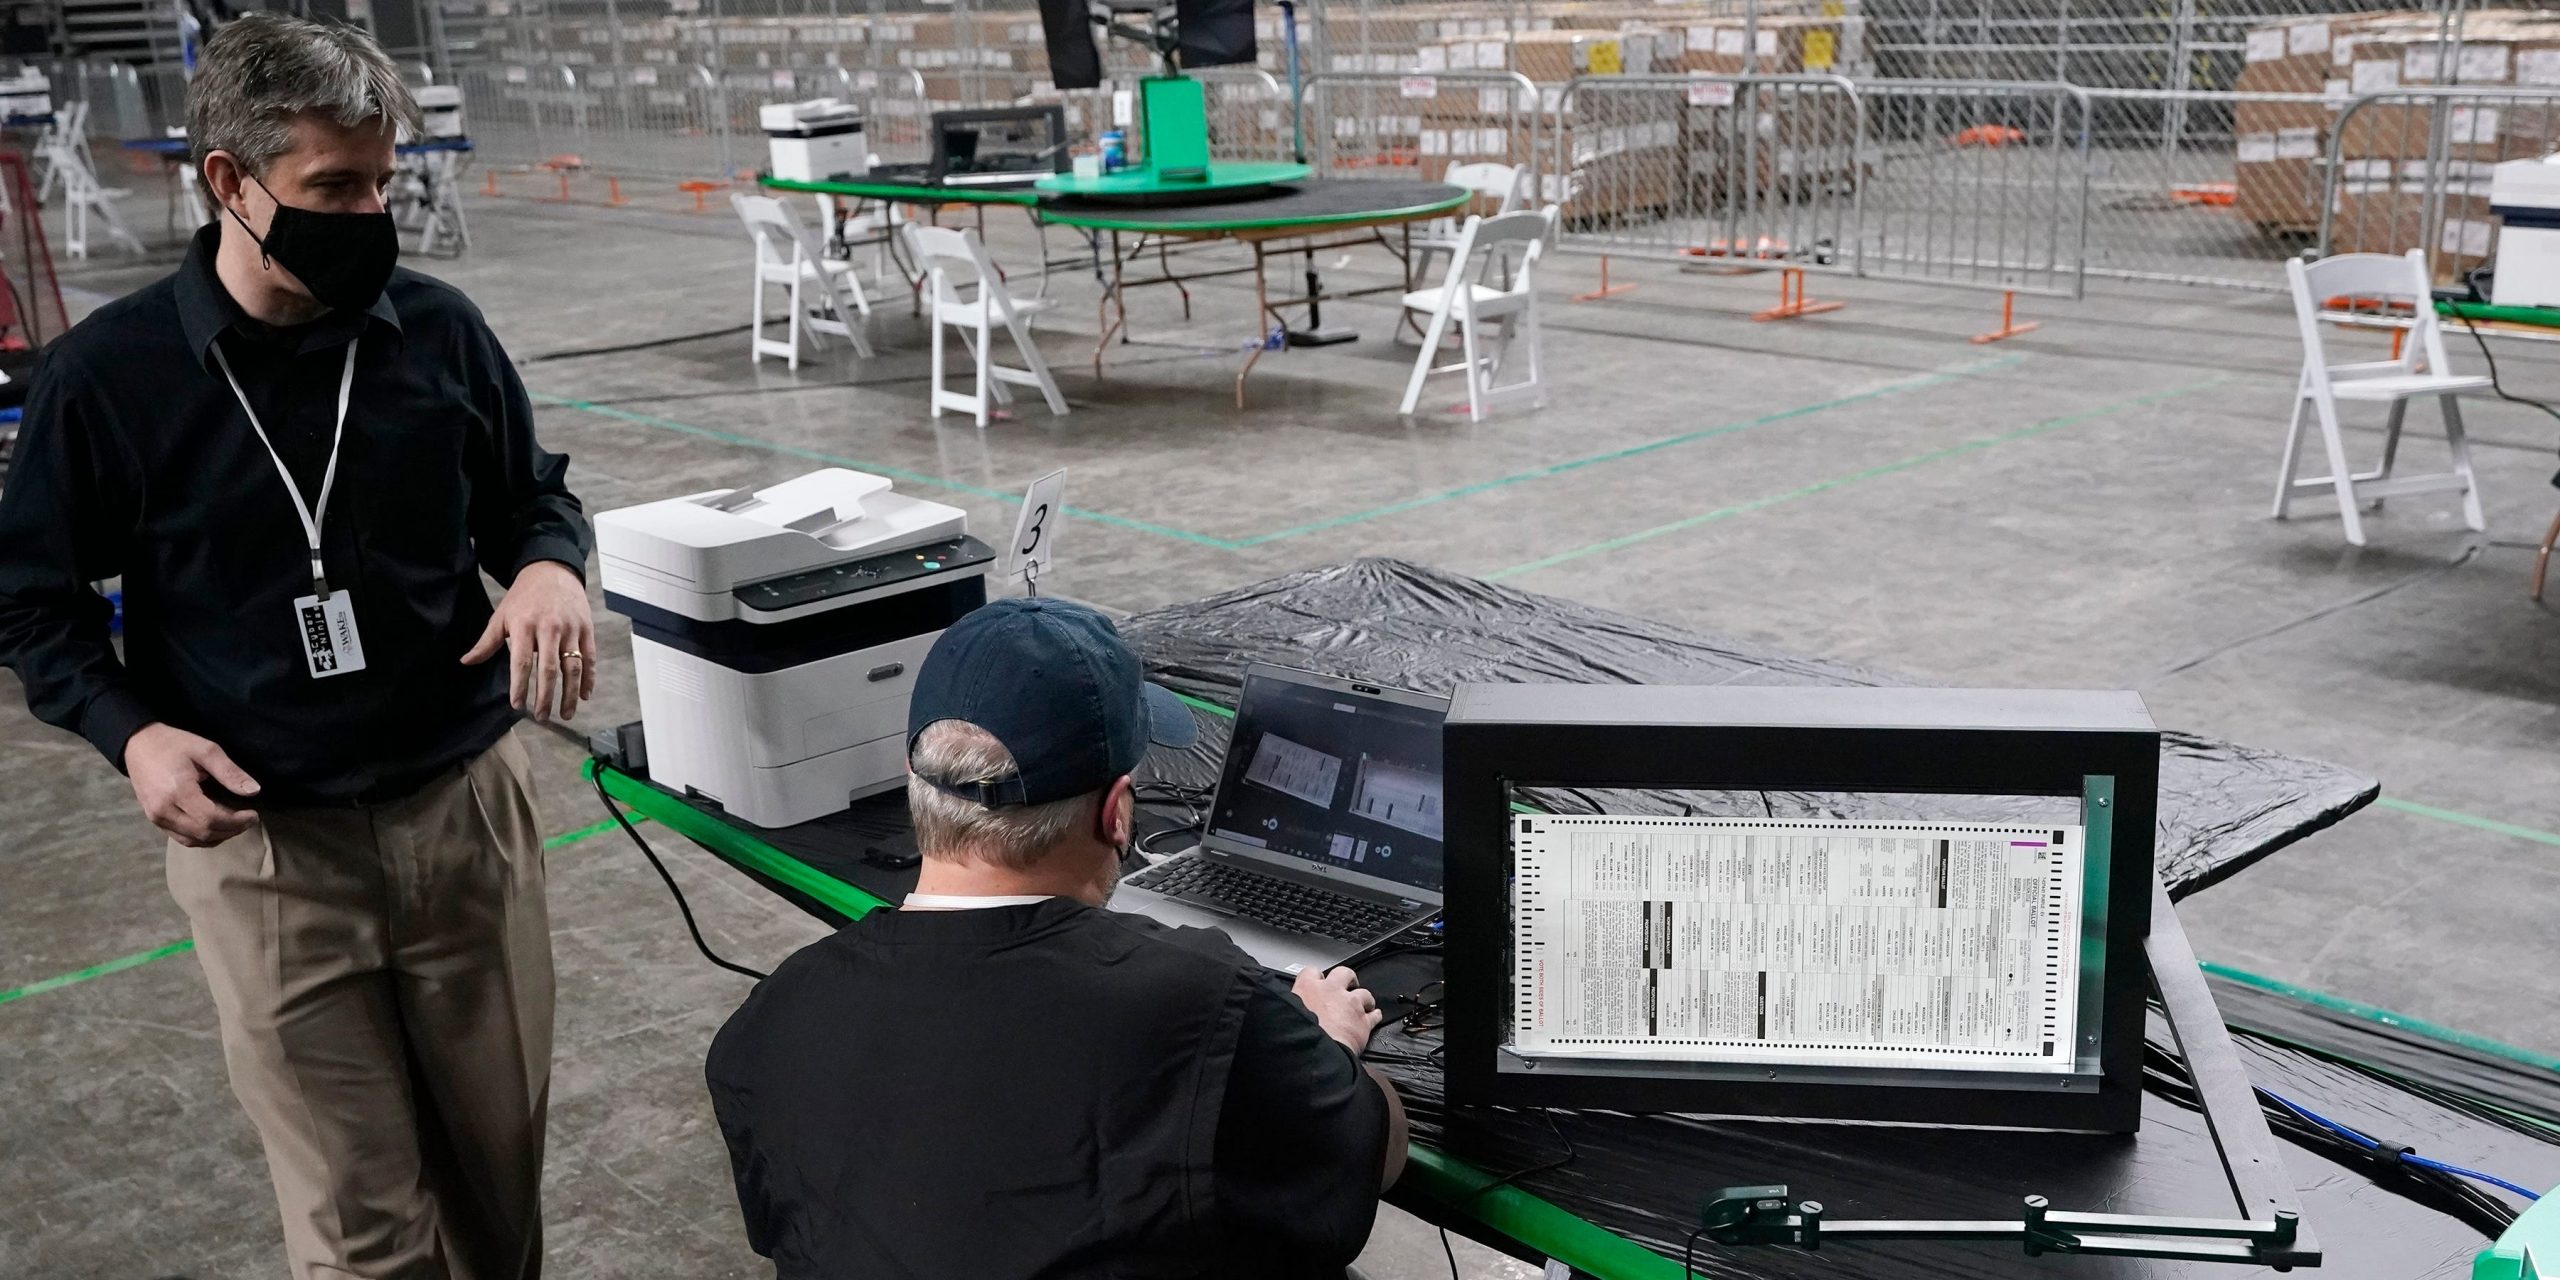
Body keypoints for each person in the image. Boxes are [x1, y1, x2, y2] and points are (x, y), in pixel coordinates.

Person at [0, 15, 593, 1279]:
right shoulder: (107, 382)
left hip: (462, 820)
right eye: (334, 187)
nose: (370, 211)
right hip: (269, 854)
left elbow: (529, 497)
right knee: (359, 1231)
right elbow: (28, 600)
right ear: (231, 182)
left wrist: (549, 564)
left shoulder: (435, 336)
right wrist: (132, 733)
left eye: (381, 181)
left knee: (500, 1197)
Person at [706, 598, 1410, 1279]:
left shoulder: (770, 1019)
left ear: (913, 780)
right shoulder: (1202, 1002)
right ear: (1116, 814)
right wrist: (1327, 1044)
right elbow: (1368, 1158)